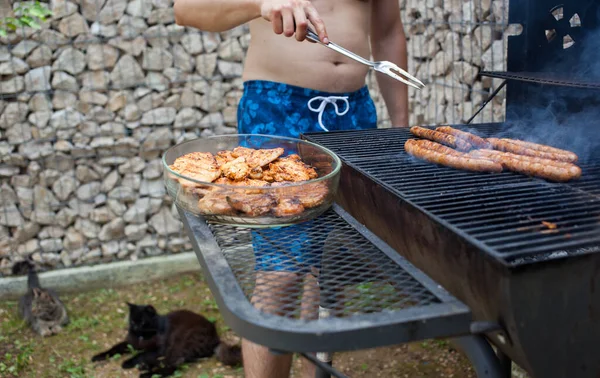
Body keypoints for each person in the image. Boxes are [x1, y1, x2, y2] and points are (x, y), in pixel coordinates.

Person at [174, 1, 410, 377]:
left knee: (328, 261)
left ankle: (315, 370)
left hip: (355, 113)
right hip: (276, 110)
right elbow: (187, 10)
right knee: (281, 273)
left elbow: (386, 32)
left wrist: (400, 126)